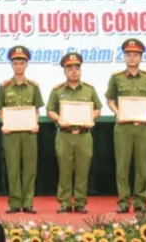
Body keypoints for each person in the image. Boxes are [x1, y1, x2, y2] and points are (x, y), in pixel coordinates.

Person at [105, 38, 146, 213]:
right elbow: (110, 100)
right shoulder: (116, 78)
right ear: (124, 57)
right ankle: (123, 201)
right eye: (128, 54)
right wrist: (117, 112)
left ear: (141, 57)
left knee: (142, 166)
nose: (132, 58)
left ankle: (140, 201)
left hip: (143, 128)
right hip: (123, 128)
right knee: (122, 167)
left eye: (135, 55)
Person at [47, 52, 102, 213]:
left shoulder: (89, 90)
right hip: (65, 135)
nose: (74, 71)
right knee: (65, 170)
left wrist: (91, 118)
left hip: (84, 135)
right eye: (70, 68)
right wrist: (59, 119)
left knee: (82, 170)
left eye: (77, 68)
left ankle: (80, 202)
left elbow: (97, 108)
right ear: (64, 71)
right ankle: (64, 202)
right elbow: (50, 110)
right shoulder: (57, 91)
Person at [0, 45, 43, 214]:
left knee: (30, 169)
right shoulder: (4, 87)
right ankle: (15, 203)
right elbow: (1, 110)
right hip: (11, 134)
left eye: (21, 63)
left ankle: (28, 202)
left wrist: (35, 123)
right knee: (13, 168)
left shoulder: (33, 87)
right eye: (15, 63)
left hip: (29, 133)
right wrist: (5, 123)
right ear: (12, 65)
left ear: (26, 65)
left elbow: (36, 110)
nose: (18, 66)